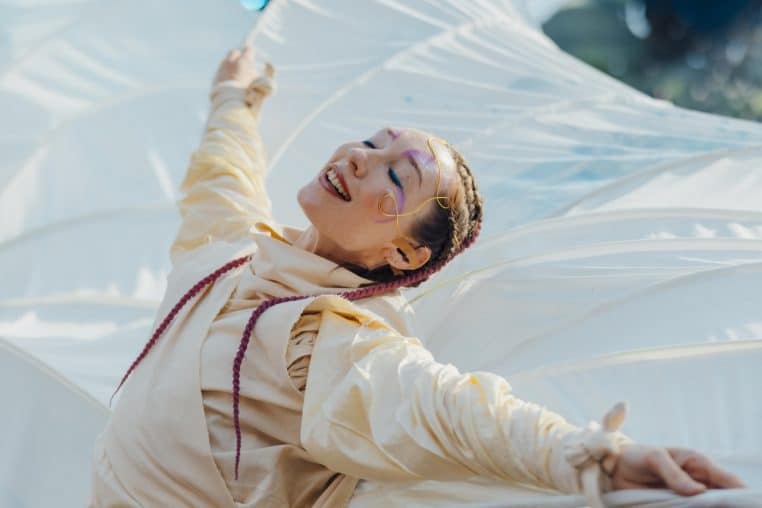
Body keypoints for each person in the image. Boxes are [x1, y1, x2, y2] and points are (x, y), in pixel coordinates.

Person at [89, 44, 745, 507]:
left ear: (404, 257)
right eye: (372, 143)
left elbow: (454, 412)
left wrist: (595, 458)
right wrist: (236, 95)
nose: (360, 158)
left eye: (396, 175)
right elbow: (222, 172)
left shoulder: (325, 340)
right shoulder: (230, 246)